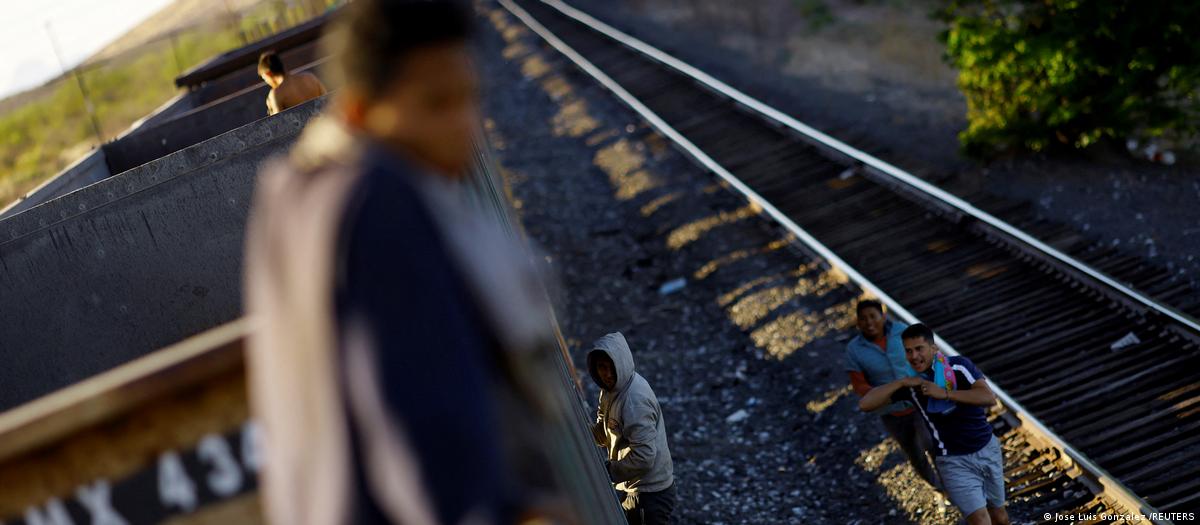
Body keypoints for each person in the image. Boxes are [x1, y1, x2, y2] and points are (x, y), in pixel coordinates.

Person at [244, 1, 560, 524]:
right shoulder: (378, 202)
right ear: (360, 110)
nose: (465, 125)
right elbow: (427, 448)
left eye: (469, 99)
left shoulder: (293, 197)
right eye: (436, 103)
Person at [859, 324, 1009, 525]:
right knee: (980, 521)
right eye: (909, 351)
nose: (914, 356)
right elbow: (866, 404)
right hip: (952, 461)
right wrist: (901, 383)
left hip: (986, 449)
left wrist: (945, 394)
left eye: (919, 348)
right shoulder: (913, 386)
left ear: (933, 348)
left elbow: (988, 398)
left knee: (999, 517)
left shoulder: (958, 366)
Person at [844, 299, 939, 488]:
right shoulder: (854, 350)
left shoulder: (902, 331)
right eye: (863, 319)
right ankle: (938, 488)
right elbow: (858, 385)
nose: (869, 322)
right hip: (891, 411)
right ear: (858, 322)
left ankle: (953, 486)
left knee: (931, 442)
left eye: (873, 316)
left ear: (883, 316)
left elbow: (926, 356)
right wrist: (881, 394)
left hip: (919, 401)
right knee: (914, 454)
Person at [587, 332, 676, 525]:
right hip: (634, 488)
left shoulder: (635, 401)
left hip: (650, 494)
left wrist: (607, 472)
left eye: (612, 368)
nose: (608, 374)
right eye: (602, 367)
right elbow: (603, 434)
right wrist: (579, 430)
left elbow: (644, 457)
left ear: (622, 364)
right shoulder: (610, 391)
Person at [258, 49, 326, 115]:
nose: (267, 82)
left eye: (264, 79)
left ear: (268, 74)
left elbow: (278, 123)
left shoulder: (276, 94)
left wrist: (271, 109)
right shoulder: (310, 77)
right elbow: (327, 101)